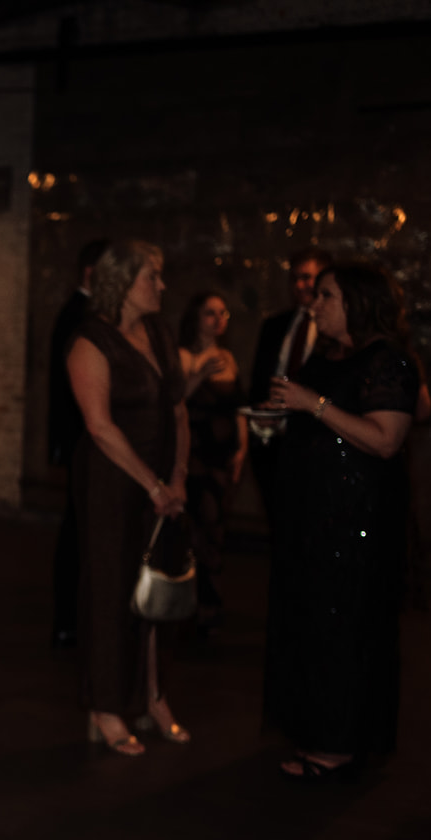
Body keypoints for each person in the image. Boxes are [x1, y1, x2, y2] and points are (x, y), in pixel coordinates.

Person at [263, 263, 420, 778]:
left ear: (355, 300)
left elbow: (385, 439)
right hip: (313, 518)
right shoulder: (326, 356)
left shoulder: (388, 360)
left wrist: (314, 404)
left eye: (326, 295)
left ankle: (340, 744)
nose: (315, 303)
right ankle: (316, 731)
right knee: (310, 622)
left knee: (346, 626)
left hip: (358, 522)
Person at [66, 240, 191, 755]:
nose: (161, 286)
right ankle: (108, 708)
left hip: (162, 483)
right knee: (112, 591)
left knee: (154, 592)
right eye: (151, 277)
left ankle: (152, 696)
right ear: (123, 282)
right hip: (114, 484)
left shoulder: (159, 333)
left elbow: (179, 411)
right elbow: (99, 427)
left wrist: (178, 476)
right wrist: (153, 484)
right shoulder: (89, 341)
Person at [49, 239, 109, 648]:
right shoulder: (78, 314)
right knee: (77, 530)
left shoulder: (87, 313)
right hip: (81, 438)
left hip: (80, 437)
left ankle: (73, 618)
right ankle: (68, 619)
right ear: (91, 271)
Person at [178, 291, 247, 634]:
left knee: (216, 528)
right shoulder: (183, 356)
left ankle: (211, 601)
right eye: (210, 313)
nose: (218, 320)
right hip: (194, 457)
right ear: (196, 318)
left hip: (221, 457)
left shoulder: (229, 359)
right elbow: (175, 404)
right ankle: (193, 601)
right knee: (196, 527)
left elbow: (238, 408)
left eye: (223, 314)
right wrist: (199, 374)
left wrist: (242, 448)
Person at [249, 248, 331, 525]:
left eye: (308, 278)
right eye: (295, 278)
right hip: (274, 447)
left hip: (317, 445)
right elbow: (260, 380)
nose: (300, 285)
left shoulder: (334, 329)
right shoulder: (275, 325)